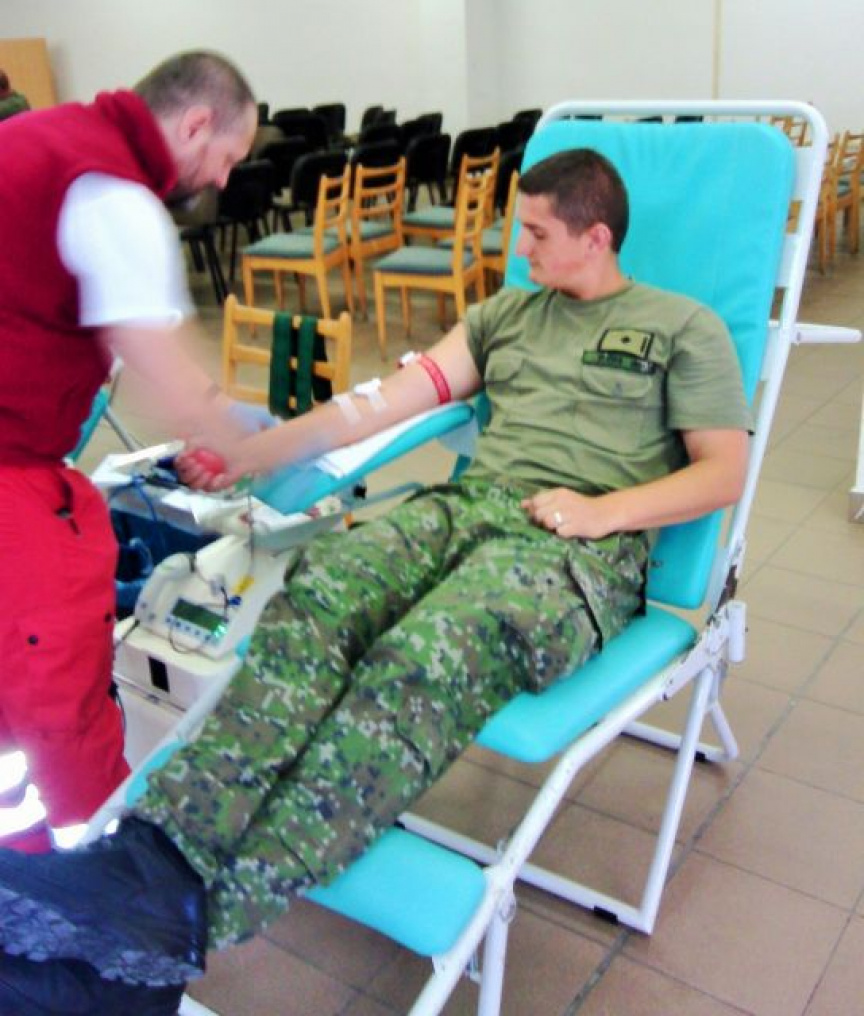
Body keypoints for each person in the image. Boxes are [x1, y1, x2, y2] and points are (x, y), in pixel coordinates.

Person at [0, 149, 751, 1015]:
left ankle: (180, 921)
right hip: (469, 508)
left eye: (538, 233)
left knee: (422, 657)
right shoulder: (506, 315)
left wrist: (603, 512)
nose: (520, 248)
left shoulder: (681, 327)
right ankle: (149, 859)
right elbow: (382, 404)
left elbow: (723, 471)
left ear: (597, 237)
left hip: (578, 548)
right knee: (318, 595)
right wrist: (256, 450)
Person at [0, 50, 259, 857]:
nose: (222, 181)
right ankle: (84, 869)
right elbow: (160, 371)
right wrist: (250, 438)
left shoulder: (41, 137)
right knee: (54, 684)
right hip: (9, 470)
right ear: (195, 124)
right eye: (227, 158)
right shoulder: (113, 194)